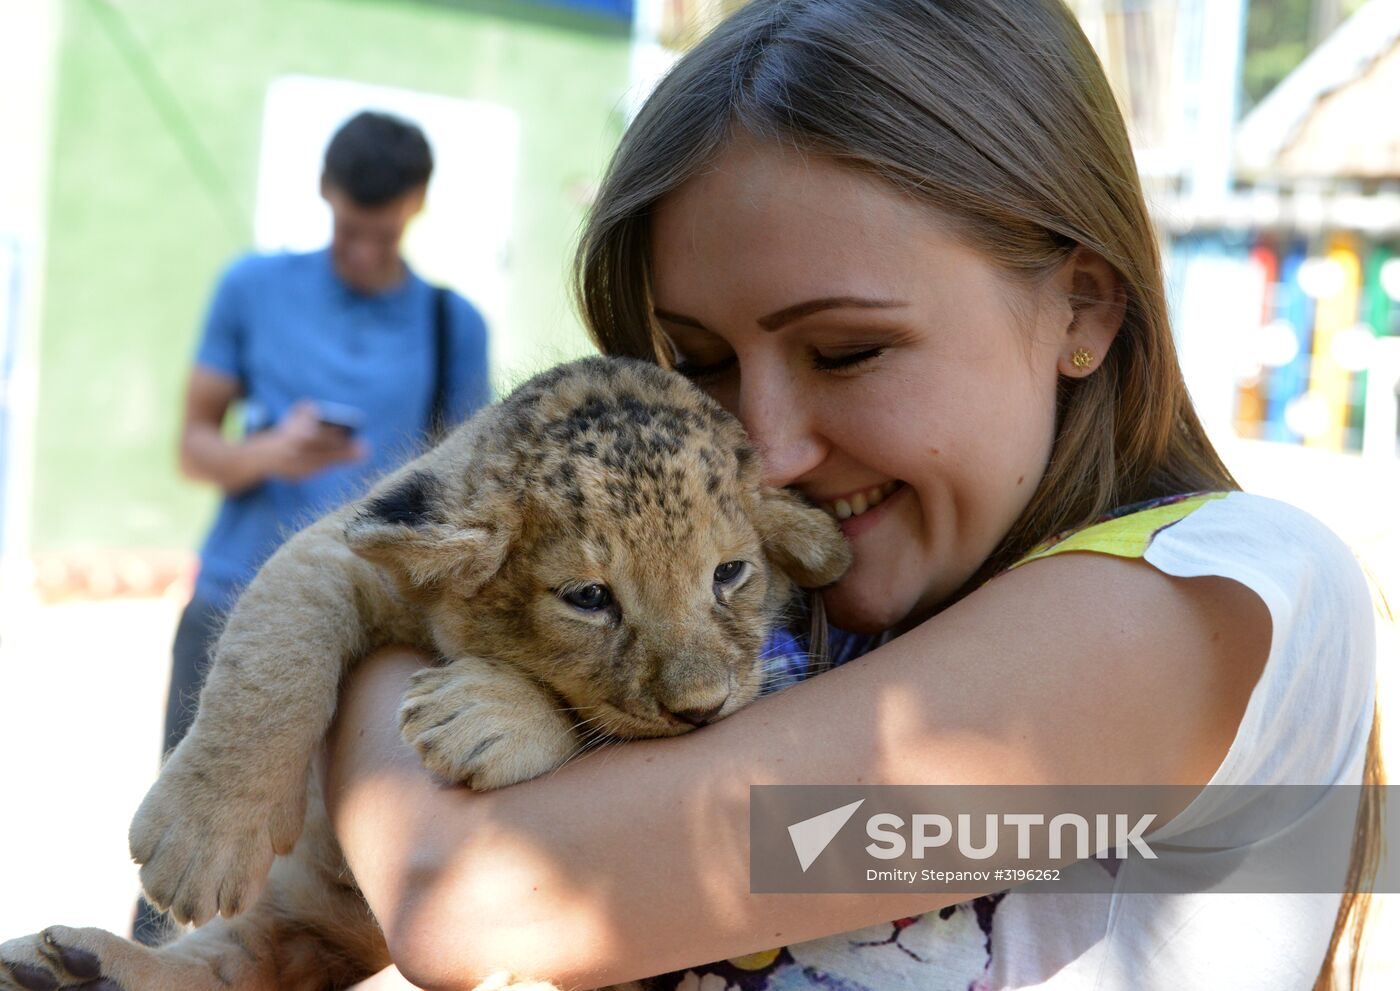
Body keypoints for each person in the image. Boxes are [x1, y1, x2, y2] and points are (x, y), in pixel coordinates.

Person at [322, 2, 1381, 989]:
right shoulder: (772, 611)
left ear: (1083, 311)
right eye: (696, 364)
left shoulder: (1201, 596)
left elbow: (465, 891)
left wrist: (375, 630)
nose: (764, 450)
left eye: (846, 351)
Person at [137, 110, 491, 944]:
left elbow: (471, 497)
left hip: (370, 634)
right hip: (237, 612)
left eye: (384, 229)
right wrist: (268, 453)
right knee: (191, 846)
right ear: (324, 194)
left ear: (417, 205)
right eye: (347, 228)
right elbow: (193, 446)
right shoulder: (250, 288)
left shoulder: (452, 325)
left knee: (322, 896)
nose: (364, 249)